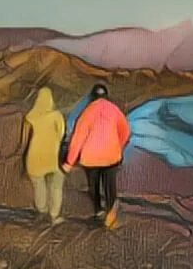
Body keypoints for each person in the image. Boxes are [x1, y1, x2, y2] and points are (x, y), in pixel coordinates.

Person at [62, 83, 131, 228]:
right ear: (106, 96)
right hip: (111, 155)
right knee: (110, 185)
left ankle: (99, 211)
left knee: (93, 185)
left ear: (92, 97)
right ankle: (111, 211)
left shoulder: (87, 112)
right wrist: (118, 146)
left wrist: (69, 162)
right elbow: (125, 131)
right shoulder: (114, 109)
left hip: (91, 158)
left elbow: (77, 138)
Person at [17, 87, 68, 225]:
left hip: (34, 157)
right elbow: (61, 135)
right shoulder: (57, 115)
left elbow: (23, 140)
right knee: (56, 185)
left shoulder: (30, 117)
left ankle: (42, 210)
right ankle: (54, 215)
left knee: (38, 184)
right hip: (53, 157)